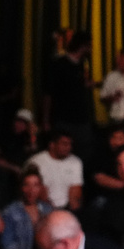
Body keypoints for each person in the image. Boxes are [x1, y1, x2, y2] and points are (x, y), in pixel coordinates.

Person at [43, 29, 96, 161]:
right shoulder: (59, 64)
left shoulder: (81, 64)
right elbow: (48, 93)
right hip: (64, 118)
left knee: (84, 154)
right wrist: (46, 120)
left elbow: (81, 85)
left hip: (81, 118)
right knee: (62, 154)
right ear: (83, 45)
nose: (91, 48)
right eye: (90, 45)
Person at [0, 167, 54, 249]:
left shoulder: (47, 209)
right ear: (21, 187)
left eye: (35, 185)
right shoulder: (10, 212)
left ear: (41, 187)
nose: (31, 190)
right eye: (26, 185)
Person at [27, 129, 85, 211]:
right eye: (64, 144)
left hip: (66, 209)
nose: (69, 147)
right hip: (42, 207)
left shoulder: (75, 162)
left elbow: (75, 191)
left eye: (70, 144)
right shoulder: (36, 162)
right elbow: (38, 192)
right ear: (52, 145)